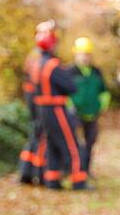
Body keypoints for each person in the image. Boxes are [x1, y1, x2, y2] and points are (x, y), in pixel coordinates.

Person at [27, 21, 88, 191]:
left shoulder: (36, 64)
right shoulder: (53, 65)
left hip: (41, 110)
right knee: (72, 144)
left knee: (52, 144)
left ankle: (52, 180)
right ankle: (79, 181)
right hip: (56, 108)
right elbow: (71, 87)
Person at [67, 36, 110, 176]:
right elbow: (65, 94)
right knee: (75, 142)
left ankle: (86, 169)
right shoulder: (70, 72)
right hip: (75, 114)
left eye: (87, 54)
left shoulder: (96, 72)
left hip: (92, 114)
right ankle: (74, 168)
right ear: (76, 54)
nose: (85, 57)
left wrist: (100, 107)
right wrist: (70, 108)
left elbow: (104, 92)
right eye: (82, 54)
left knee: (90, 142)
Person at [18, 21, 53, 185]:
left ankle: (27, 171)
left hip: (34, 99)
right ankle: (37, 172)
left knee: (35, 134)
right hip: (37, 101)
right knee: (40, 134)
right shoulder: (38, 57)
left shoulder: (34, 55)